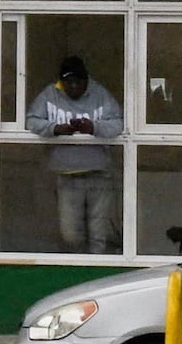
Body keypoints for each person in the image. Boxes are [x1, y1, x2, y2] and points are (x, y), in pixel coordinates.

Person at [24, 48, 126, 255]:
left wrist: (93, 128)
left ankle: (96, 273)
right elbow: (31, 121)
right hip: (66, 176)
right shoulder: (50, 94)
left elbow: (118, 124)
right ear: (61, 82)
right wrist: (56, 129)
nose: (74, 87)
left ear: (87, 80)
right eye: (68, 82)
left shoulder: (100, 94)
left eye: (79, 82)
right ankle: (77, 269)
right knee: (71, 234)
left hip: (100, 175)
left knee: (99, 233)